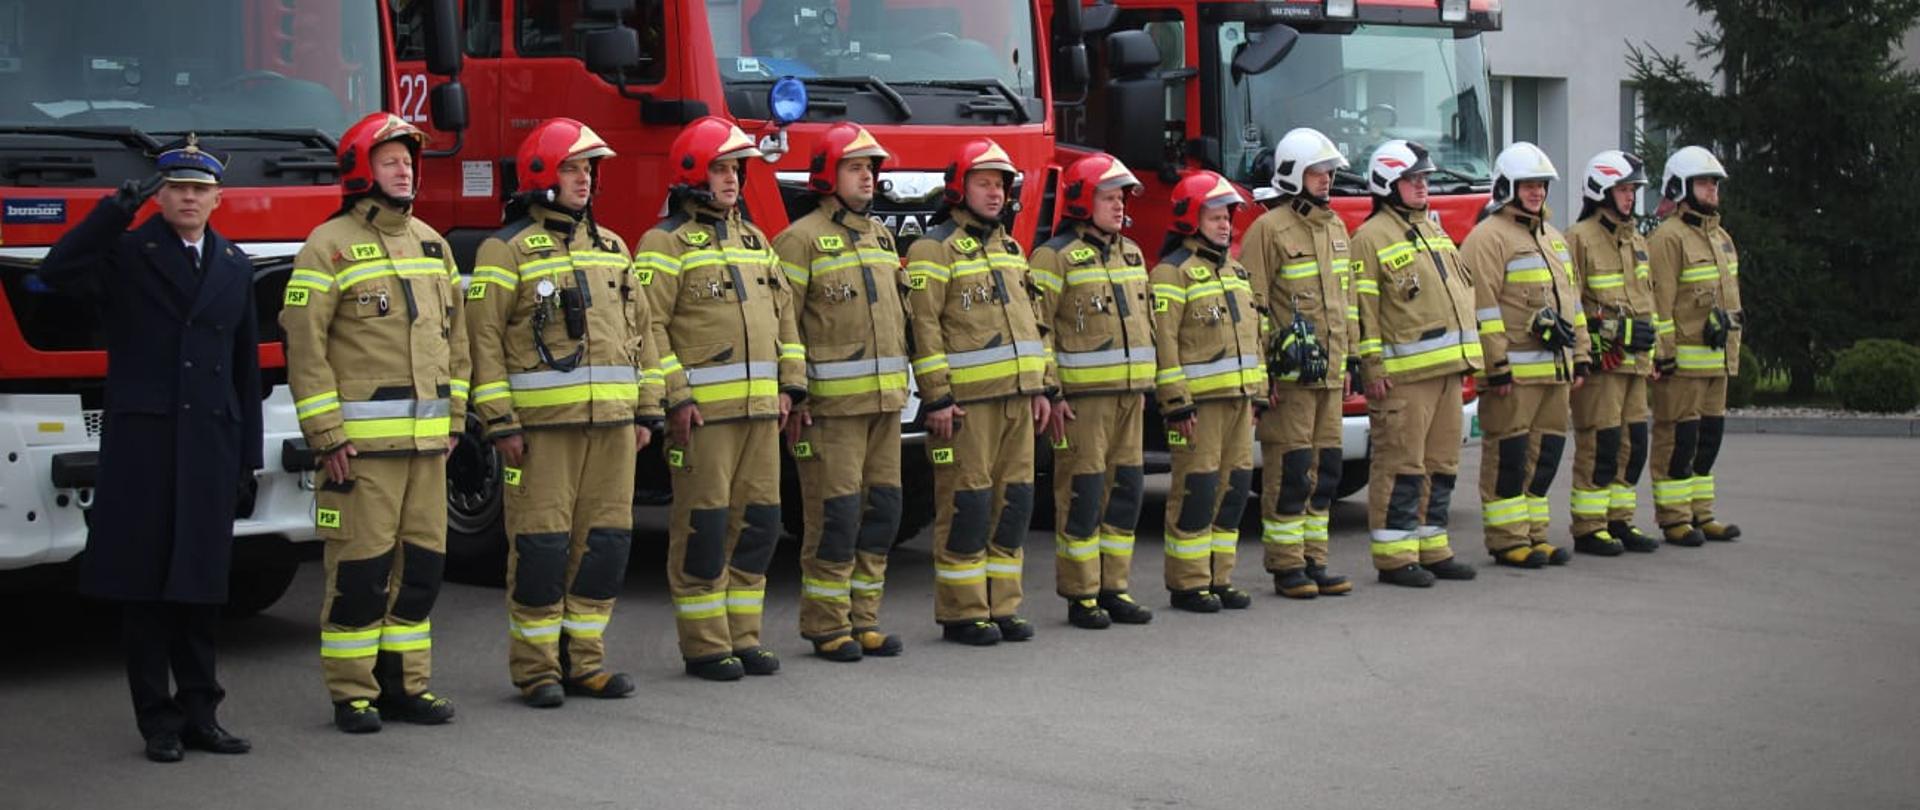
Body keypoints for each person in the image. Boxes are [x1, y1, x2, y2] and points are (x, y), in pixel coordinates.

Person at [39, 135, 260, 763]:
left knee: (201, 589)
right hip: (147, 447)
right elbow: (57, 271)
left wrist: (247, 459)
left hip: (209, 445)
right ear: (159, 197)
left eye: (199, 189)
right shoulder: (129, 253)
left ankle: (202, 714)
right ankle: (157, 721)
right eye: (177, 188)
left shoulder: (233, 263)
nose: (188, 198)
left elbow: (243, 368)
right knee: (146, 591)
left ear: (217, 199)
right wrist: (113, 211)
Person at [282, 113, 469, 732]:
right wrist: (326, 435)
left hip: (427, 449)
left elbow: (458, 343)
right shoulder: (326, 245)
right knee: (360, 573)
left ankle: (406, 686)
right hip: (360, 451)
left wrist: (455, 421)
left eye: (408, 162)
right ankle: (352, 693)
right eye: (390, 161)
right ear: (361, 169)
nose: (404, 171)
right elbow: (305, 347)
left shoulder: (434, 244)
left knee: (420, 572)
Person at [465, 118, 663, 705]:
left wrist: (647, 411)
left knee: (605, 546)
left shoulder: (613, 248)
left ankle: (587, 661)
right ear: (541, 175)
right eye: (571, 169)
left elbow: (644, 334)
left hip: (614, 429)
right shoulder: (504, 250)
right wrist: (500, 422)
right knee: (542, 549)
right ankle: (537, 670)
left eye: (588, 170)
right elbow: (483, 343)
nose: (584, 181)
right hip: (541, 433)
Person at [637, 117, 806, 680]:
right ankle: (706, 644)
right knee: (704, 530)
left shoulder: (755, 240)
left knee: (758, 525)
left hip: (760, 415)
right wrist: (676, 397)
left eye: (736, 169)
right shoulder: (663, 244)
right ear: (692, 172)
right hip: (703, 419)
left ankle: (744, 637)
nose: (732, 179)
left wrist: (789, 386)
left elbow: (785, 317)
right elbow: (649, 328)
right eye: (720, 169)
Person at [904, 138, 1054, 645]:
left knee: (1014, 505)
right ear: (958, 188)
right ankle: (963, 612)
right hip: (966, 408)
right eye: (984, 183)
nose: (995, 194)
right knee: (967, 506)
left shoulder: (1010, 249)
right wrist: (937, 398)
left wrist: (1042, 388)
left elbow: (1034, 324)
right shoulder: (931, 249)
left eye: (1001, 185)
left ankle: (1002, 606)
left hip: (1018, 401)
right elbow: (924, 328)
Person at [770, 123, 911, 660]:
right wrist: (794, 393)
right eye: (856, 168)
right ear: (828, 175)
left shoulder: (881, 237)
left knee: (881, 513)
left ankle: (864, 619)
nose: (868, 177)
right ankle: (827, 625)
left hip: (884, 406)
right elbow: (784, 323)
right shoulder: (798, 239)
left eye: (871, 168)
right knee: (835, 517)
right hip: (829, 413)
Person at [1029, 153, 1156, 629]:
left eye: (1122, 198)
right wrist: (1052, 392)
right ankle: (1081, 594)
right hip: (1080, 404)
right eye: (1109, 197)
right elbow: (1039, 329)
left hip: (1129, 398)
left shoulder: (1131, 253)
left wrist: (1144, 383)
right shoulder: (1053, 256)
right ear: (1083, 200)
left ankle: (1114, 587)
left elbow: (1145, 326)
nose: (1119, 206)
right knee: (1083, 495)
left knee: (1124, 494)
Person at [1349, 140, 1482, 587]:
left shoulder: (1432, 229)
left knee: (1441, 464)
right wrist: (1371, 367)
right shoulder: (1370, 237)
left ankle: (1432, 546)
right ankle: (1395, 556)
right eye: (1412, 179)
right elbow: (1363, 310)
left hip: (1446, 372)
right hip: (1403, 377)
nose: (1423, 186)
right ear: (1388, 183)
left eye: (1424, 179)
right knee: (1401, 465)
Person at [1460, 142, 1591, 569]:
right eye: (1528, 184)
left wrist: (1581, 355)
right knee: (1509, 457)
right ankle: (1507, 540)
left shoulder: (1554, 238)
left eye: (1541, 185)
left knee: (1545, 456)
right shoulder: (1487, 238)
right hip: (1513, 375)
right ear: (1506, 187)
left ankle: (1534, 535)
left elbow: (1572, 302)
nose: (1537, 192)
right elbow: (1482, 308)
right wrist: (1495, 367)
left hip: (1555, 371)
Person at [1239, 128, 1357, 599]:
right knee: (1291, 469)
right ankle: (1287, 565)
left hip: (1329, 374)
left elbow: (1347, 304)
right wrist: (1263, 372)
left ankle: (1315, 560)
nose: (1326, 179)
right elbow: (1254, 306)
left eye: (1329, 172)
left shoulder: (1336, 227)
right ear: (1292, 175)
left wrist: (1350, 362)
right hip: (1288, 379)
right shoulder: (1268, 230)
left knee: (1325, 471)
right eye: (1316, 172)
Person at [1149, 170, 1265, 613]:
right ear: (1189, 218)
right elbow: (1165, 344)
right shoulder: (1171, 273)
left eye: (1227, 217)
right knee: (1197, 490)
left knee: (1233, 489)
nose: (1224, 225)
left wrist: (1257, 394)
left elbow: (1253, 338)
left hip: (1239, 401)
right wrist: (1176, 404)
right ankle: (1189, 582)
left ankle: (1220, 577)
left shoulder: (1235, 270)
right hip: (1198, 407)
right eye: (1214, 216)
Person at [1564, 150, 1662, 555]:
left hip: (1635, 363)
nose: (1630, 197)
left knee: (1633, 445)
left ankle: (1619, 520)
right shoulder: (1579, 238)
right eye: (1623, 189)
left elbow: (1648, 300)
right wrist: (1606, 336)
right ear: (1600, 190)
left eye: (1633, 190)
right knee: (1600, 444)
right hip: (1604, 364)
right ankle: (1589, 527)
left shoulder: (1636, 239)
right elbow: (1570, 303)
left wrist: (1654, 353)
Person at [1647, 146, 1744, 546]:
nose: (1712, 190)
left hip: (1715, 362)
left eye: (1714, 183)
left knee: (1708, 439)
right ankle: (1674, 518)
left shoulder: (1721, 238)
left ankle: (1702, 513)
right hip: (1682, 366)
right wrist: (1664, 354)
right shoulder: (1668, 238)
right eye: (1703, 183)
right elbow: (1660, 303)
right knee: (1677, 439)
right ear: (1679, 187)